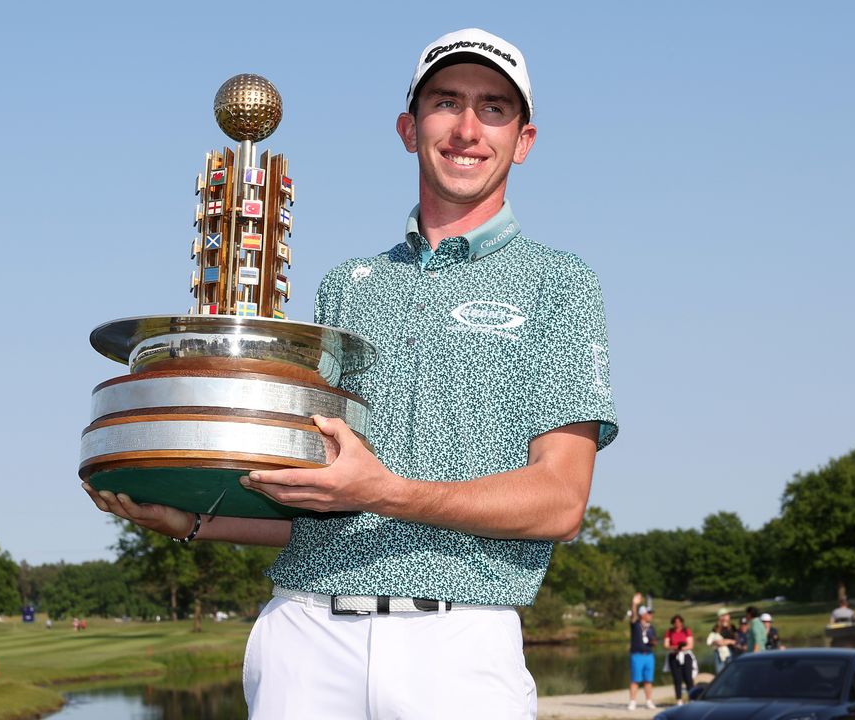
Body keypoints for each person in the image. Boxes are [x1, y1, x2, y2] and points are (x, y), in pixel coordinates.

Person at [83, 27, 618, 720]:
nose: (465, 128)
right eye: (445, 102)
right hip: (303, 636)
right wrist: (191, 519)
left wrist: (388, 490)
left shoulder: (560, 283)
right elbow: (330, 504)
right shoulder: (348, 287)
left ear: (524, 140)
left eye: (493, 108)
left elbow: (559, 502)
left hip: (458, 644)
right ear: (408, 127)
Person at [629, 593, 658, 711]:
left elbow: (655, 640)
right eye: (649, 613)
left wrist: (653, 642)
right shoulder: (635, 625)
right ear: (643, 614)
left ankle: (649, 701)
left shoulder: (651, 627)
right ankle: (632, 702)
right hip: (637, 655)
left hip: (649, 655)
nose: (651, 615)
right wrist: (634, 604)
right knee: (635, 680)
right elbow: (633, 615)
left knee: (648, 680)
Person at [662, 614, 695, 705]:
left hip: (685, 655)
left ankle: (691, 697)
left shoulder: (686, 631)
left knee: (688, 678)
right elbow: (666, 645)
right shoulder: (669, 631)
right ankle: (679, 699)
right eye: (675, 622)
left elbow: (690, 644)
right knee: (677, 679)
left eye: (679, 622)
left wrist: (683, 648)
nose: (677, 624)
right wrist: (674, 647)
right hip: (674, 655)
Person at [705, 608, 738, 674]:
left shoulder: (732, 627)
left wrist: (727, 641)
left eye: (727, 615)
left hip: (731, 651)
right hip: (719, 653)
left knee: (731, 672)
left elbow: (736, 641)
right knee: (720, 672)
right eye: (725, 615)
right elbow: (711, 641)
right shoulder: (716, 628)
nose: (727, 616)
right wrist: (716, 642)